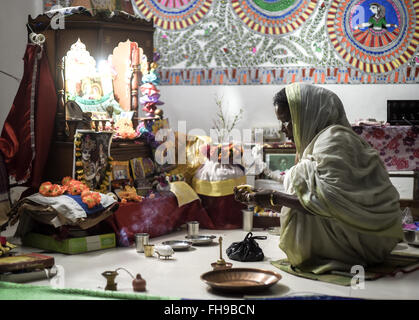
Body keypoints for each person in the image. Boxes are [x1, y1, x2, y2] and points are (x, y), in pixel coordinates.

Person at [235, 83, 403, 274]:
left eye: (287, 121)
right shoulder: (320, 142)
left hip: (368, 239)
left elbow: (327, 203)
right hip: (363, 232)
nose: (283, 129)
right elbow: (316, 204)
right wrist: (260, 199)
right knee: (300, 178)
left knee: (299, 176)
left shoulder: (334, 139)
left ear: (307, 115)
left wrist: (275, 196)